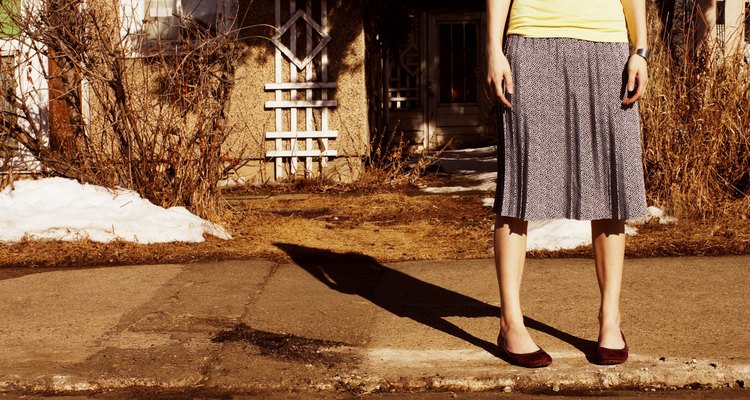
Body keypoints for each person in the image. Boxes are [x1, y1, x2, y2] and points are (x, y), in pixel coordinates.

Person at [486, 0, 649, 368]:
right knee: (520, 184)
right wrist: (494, 49)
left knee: (610, 184)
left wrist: (640, 50)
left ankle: (610, 320)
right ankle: (511, 322)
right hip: (530, 44)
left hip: (608, 49)